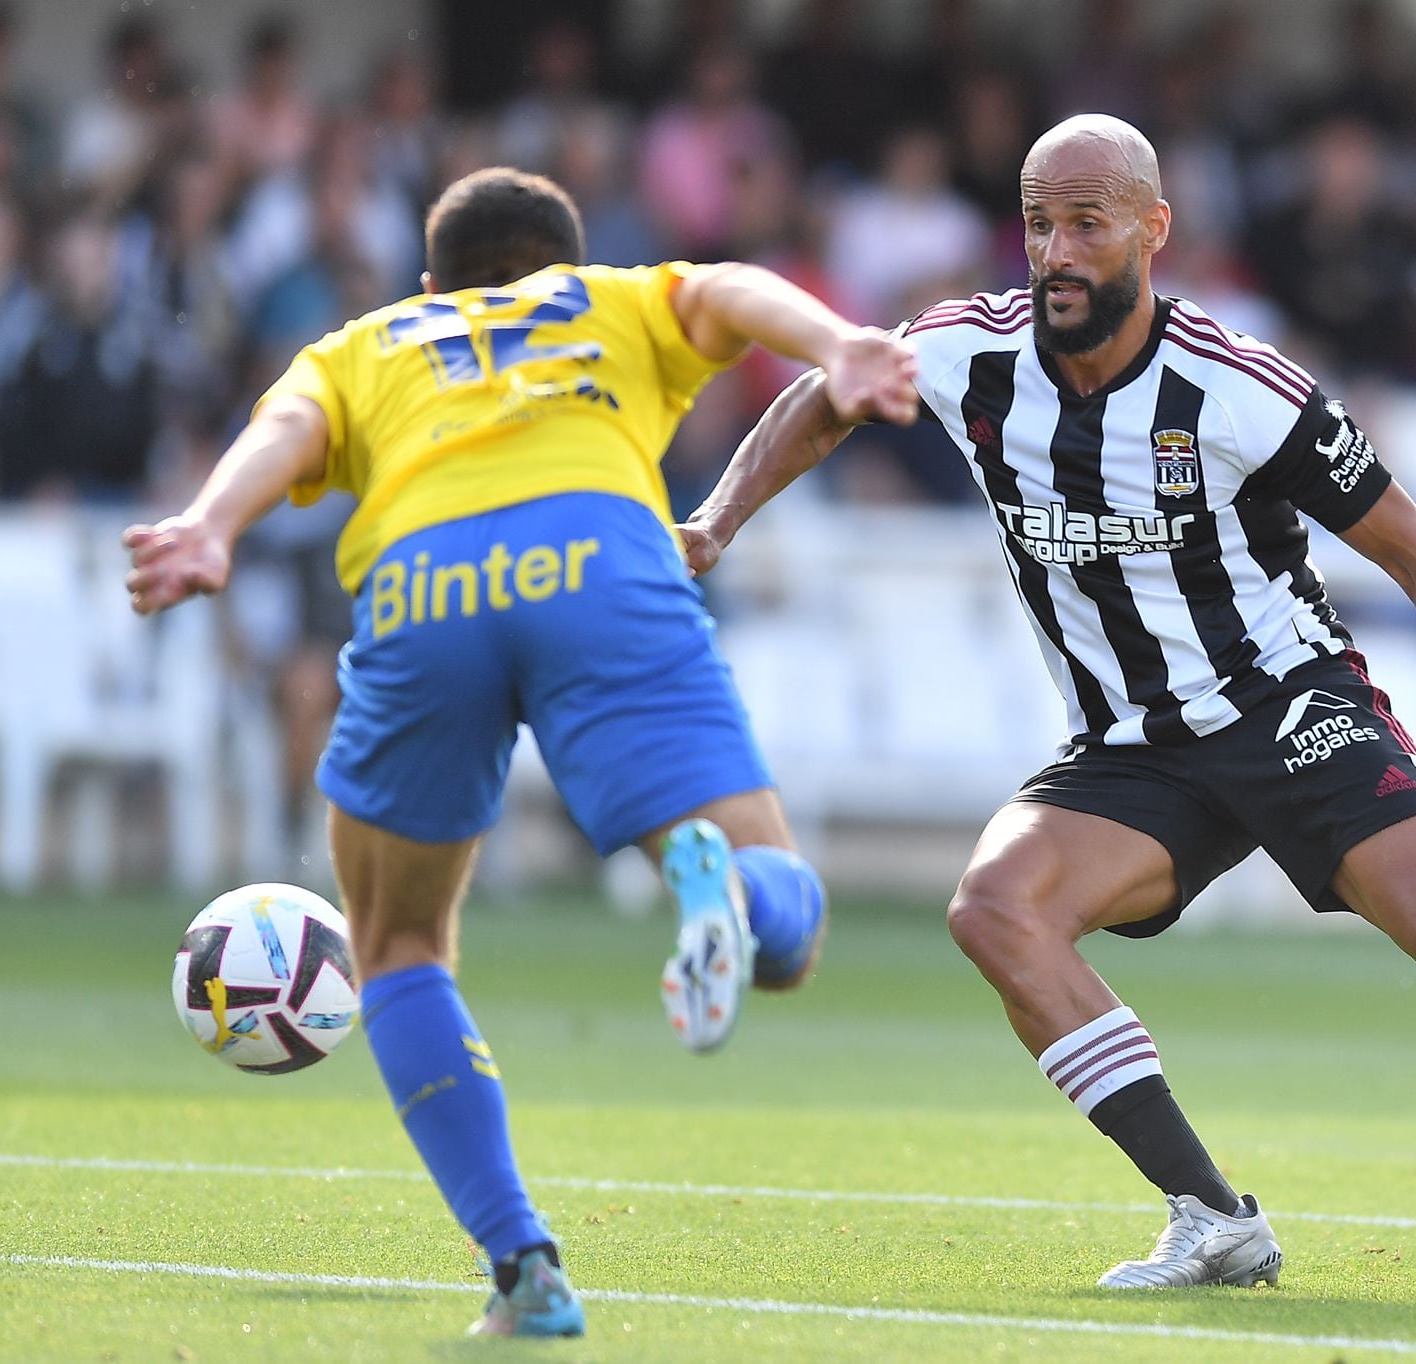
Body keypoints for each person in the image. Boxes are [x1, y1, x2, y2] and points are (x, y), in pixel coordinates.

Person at [681, 115, 1416, 1306]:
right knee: (996, 910)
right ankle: (1211, 1217)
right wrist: (717, 516)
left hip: (1287, 707)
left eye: (1084, 222)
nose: (1054, 252)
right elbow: (827, 394)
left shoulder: (1235, 386)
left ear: (1152, 230)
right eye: (1035, 224)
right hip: (1134, 748)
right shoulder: (971, 352)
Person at [123, 167, 919, 1337]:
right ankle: (733, 896)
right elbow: (730, 286)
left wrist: (209, 522)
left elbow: (285, 425)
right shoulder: (608, 300)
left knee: (395, 944)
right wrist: (841, 341)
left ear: (433, 282)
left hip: (425, 577)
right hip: (597, 553)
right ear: (563, 261)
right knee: (781, 917)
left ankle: (524, 1268)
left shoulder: (373, 339)